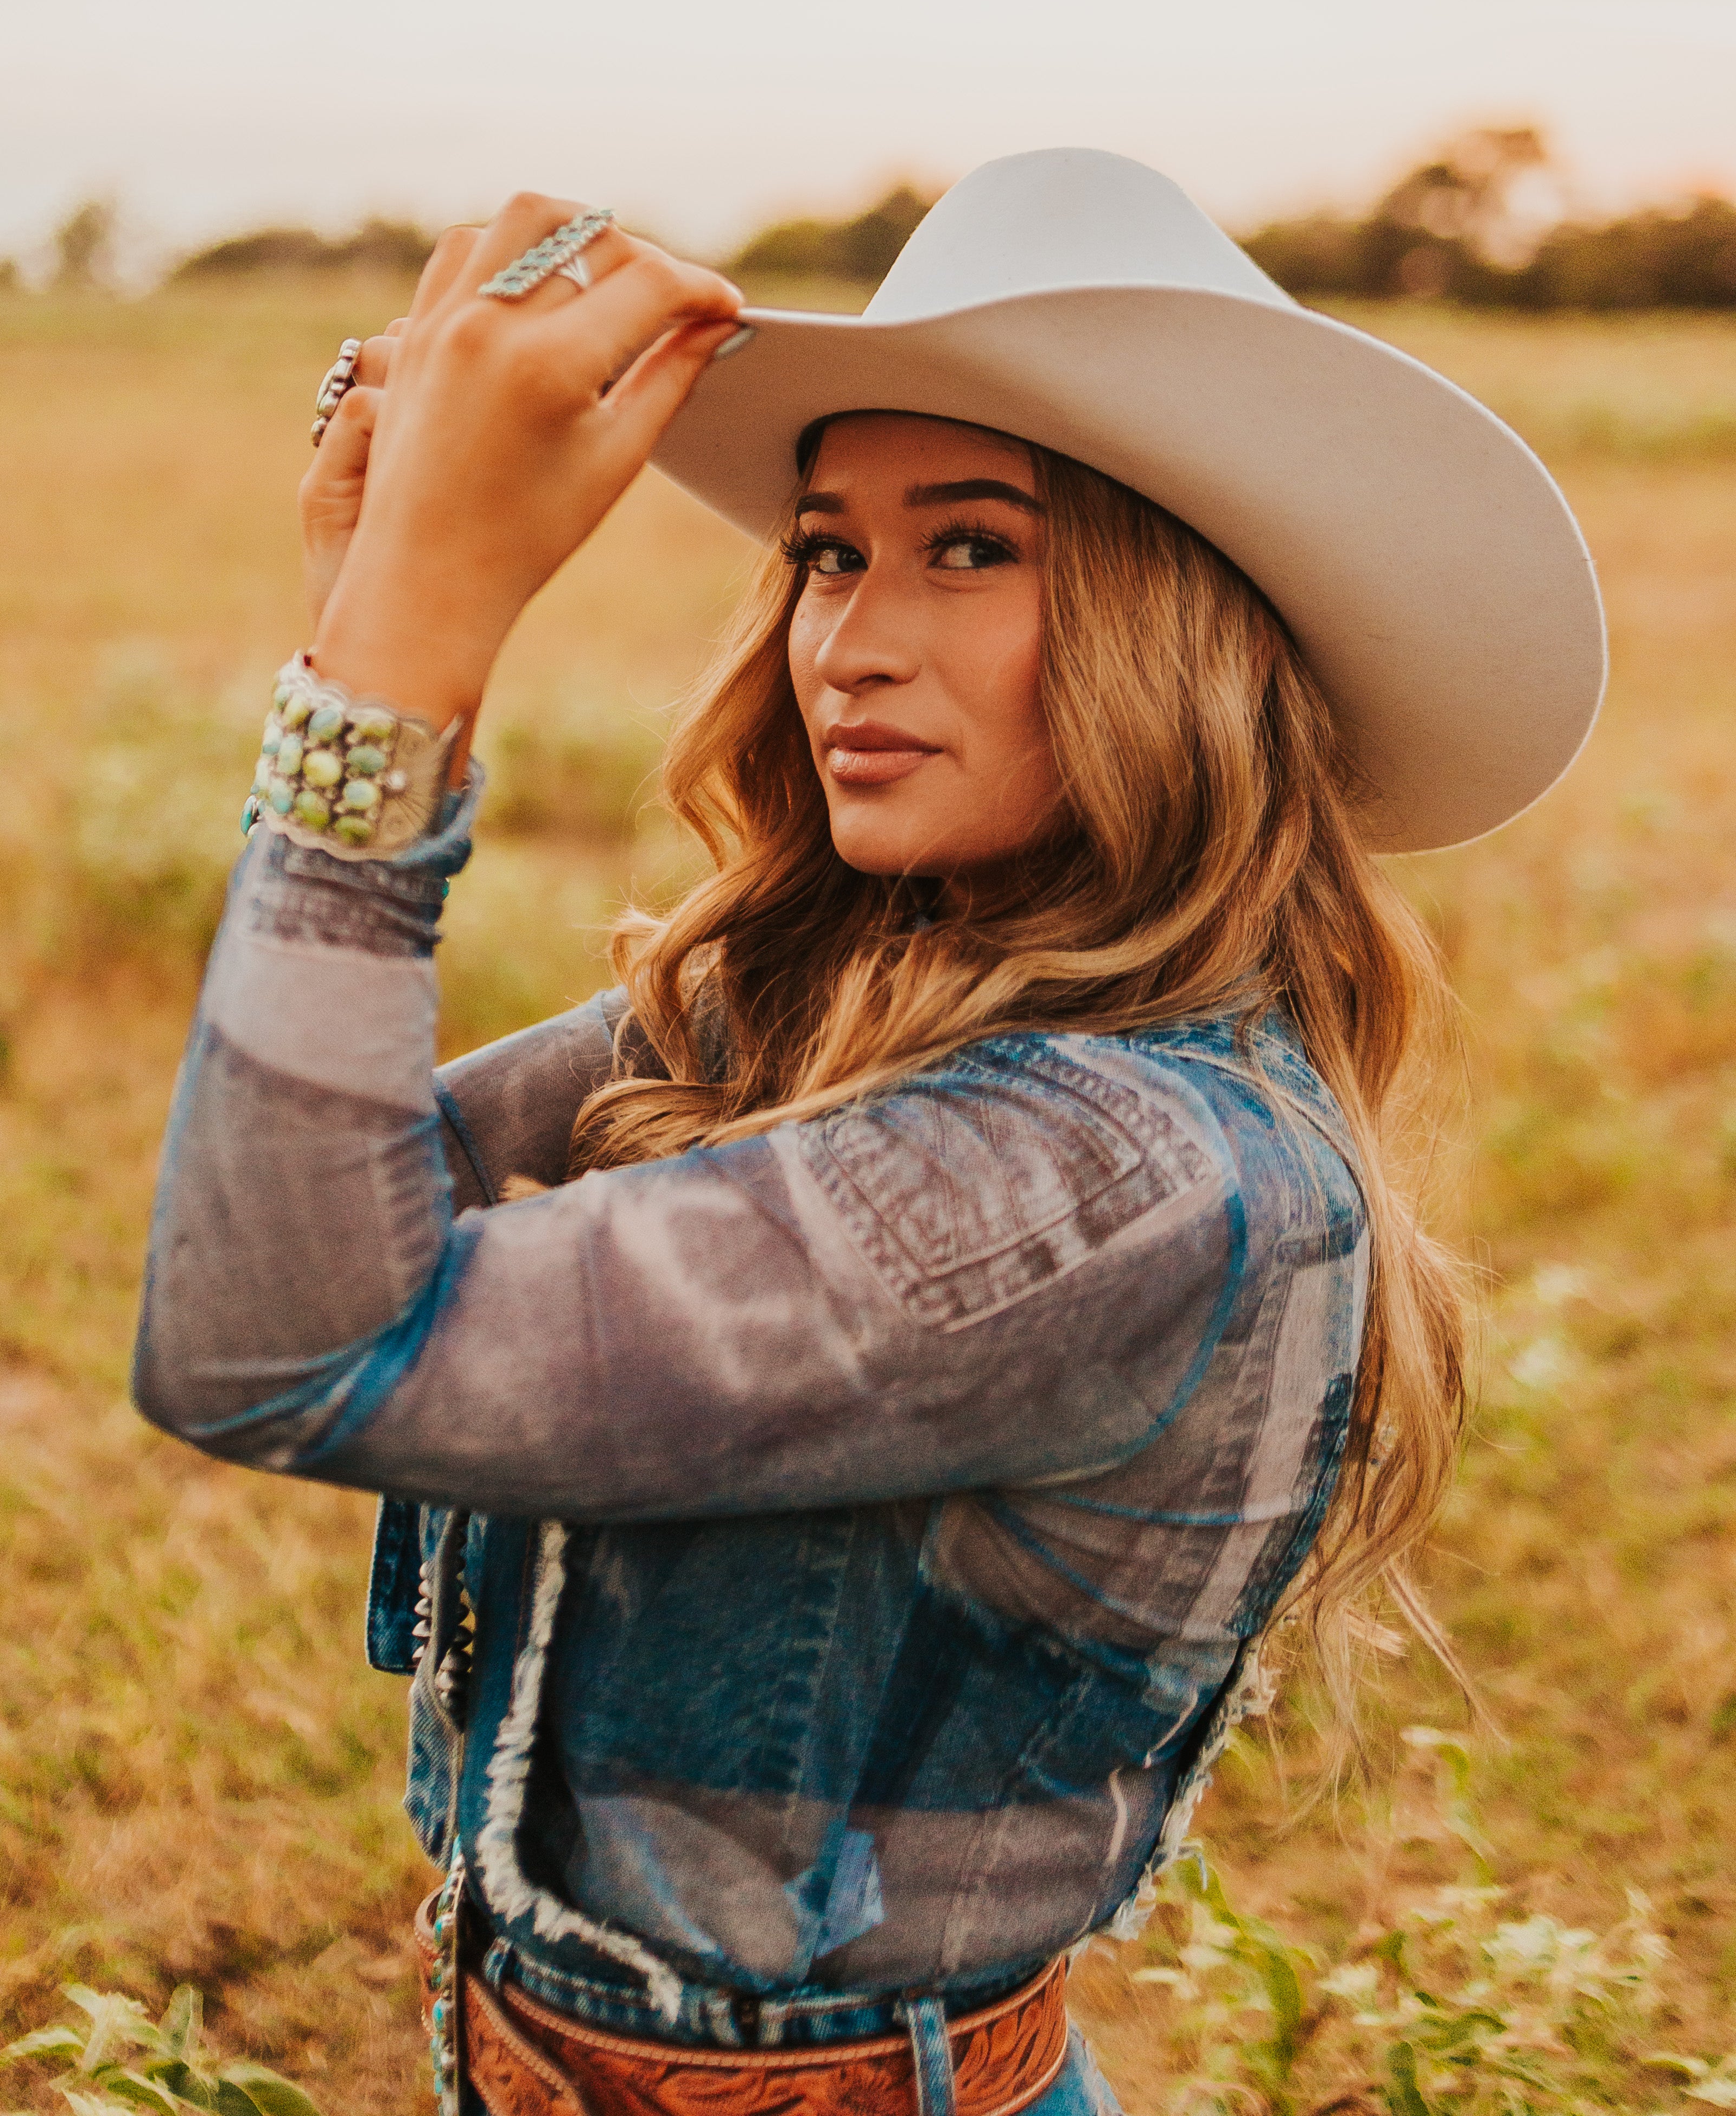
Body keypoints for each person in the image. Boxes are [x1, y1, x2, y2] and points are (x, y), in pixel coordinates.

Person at [133, 153, 1604, 2116]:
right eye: (833, 551)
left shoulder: (1116, 1172)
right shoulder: (849, 988)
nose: (851, 642)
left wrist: (395, 671)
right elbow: (305, 1197)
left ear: (1182, 628)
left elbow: (276, 1339)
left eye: (972, 548)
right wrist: (368, 623)